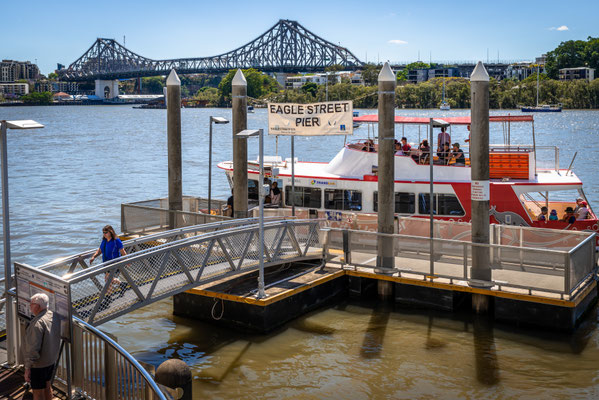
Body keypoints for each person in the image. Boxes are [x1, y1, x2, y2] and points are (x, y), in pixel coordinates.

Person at [23, 293, 61, 400]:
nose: (30, 305)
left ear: (38, 307)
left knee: (37, 393)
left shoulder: (37, 324)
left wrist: (27, 369)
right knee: (47, 386)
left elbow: (33, 349)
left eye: (32, 304)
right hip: (51, 360)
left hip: (39, 365)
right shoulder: (53, 315)